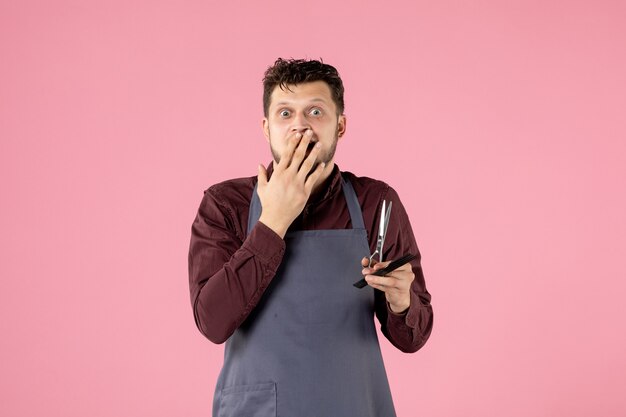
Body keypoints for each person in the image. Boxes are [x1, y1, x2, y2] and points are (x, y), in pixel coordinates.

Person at [188, 58, 433, 417]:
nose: (299, 126)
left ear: (341, 125)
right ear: (266, 127)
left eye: (315, 111)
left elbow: (414, 337)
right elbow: (212, 322)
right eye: (285, 114)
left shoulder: (375, 203)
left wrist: (401, 302)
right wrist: (272, 223)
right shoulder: (226, 206)